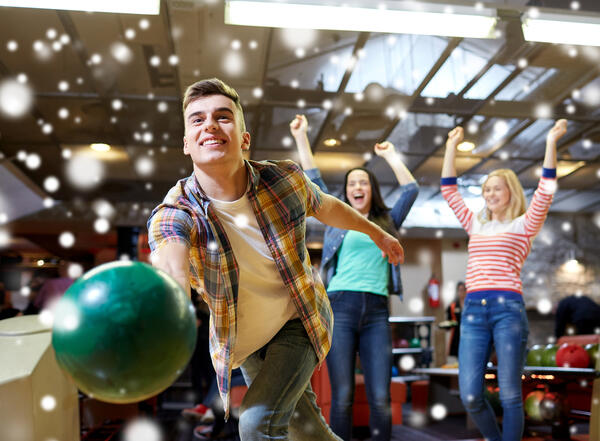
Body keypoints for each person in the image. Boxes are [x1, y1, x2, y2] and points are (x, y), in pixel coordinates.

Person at [147, 78, 404, 441]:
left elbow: (327, 206)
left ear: (244, 138)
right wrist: (170, 309)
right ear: (187, 143)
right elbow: (172, 262)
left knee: (255, 425)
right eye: (197, 120)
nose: (210, 126)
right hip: (246, 340)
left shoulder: (282, 181)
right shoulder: (176, 211)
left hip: (297, 318)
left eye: (222, 117)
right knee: (306, 430)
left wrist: (377, 233)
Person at [290, 114, 418, 441]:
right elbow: (313, 179)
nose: (357, 187)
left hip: (376, 311)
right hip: (341, 308)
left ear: (371, 190)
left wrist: (390, 155)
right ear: (346, 193)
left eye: (363, 182)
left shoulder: (387, 221)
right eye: (352, 184)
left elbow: (411, 189)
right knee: (343, 395)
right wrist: (302, 136)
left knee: (380, 396)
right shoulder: (338, 219)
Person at [441, 119, 567, 441]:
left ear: (510, 191)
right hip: (472, 311)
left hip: (507, 308)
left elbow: (547, 188)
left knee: (511, 394)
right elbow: (448, 189)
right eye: (486, 189)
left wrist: (551, 142)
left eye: (496, 187)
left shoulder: (525, 224)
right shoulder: (474, 223)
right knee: (470, 395)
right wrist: (451, 147)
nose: (489, 193)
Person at [446, 281, 466, 358]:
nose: (462, 292)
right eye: (460, 290)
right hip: (457, 334)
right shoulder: (453, 306)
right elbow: (449, 321)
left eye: (464, 290)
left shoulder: (470, 304)